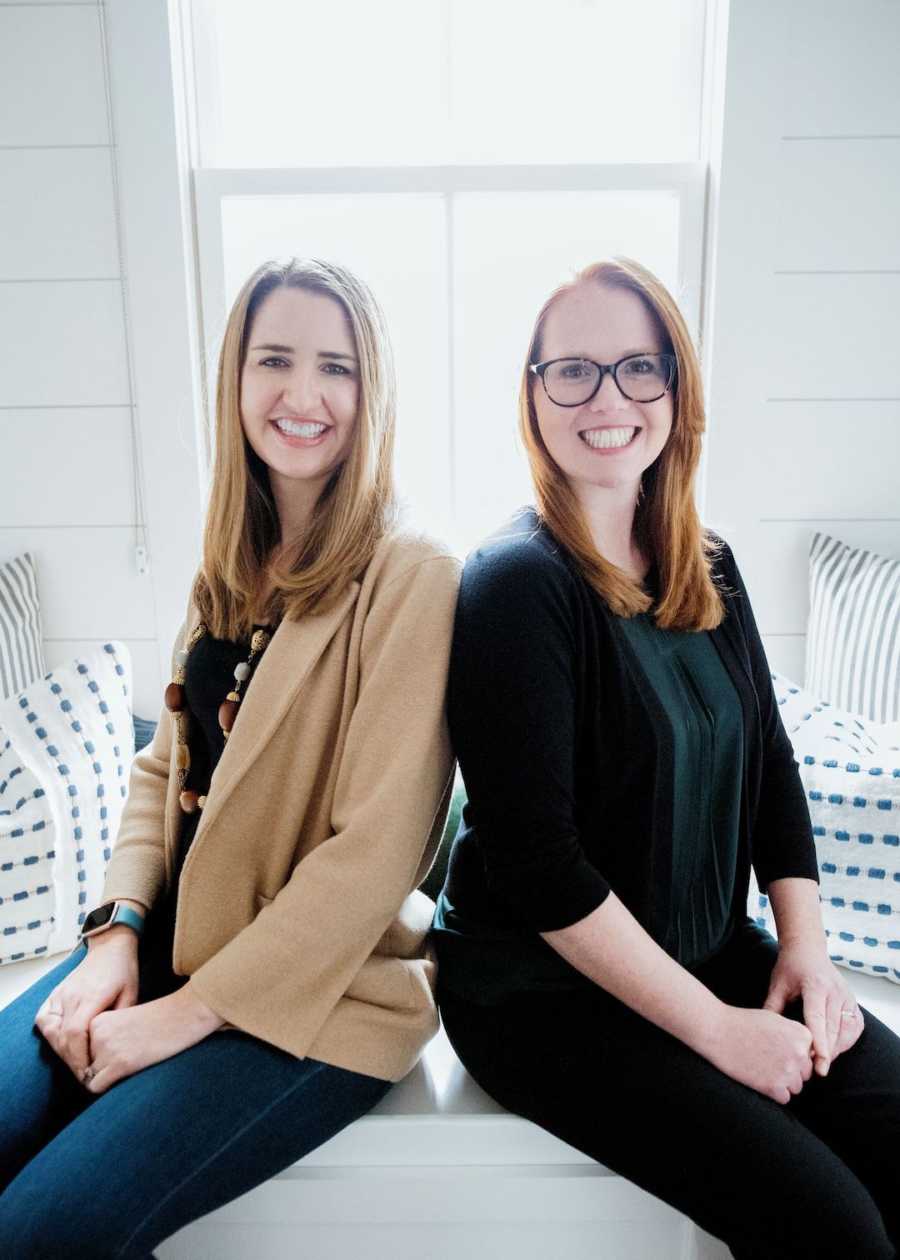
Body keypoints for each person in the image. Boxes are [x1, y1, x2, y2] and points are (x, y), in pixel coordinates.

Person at [432, 258, 900, 1260]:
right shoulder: (514, 586)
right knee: (839, 1234)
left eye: (638, 367)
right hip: (539, 997)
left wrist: (807, 957)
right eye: (573, 371)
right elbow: (539, 864)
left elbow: (771, 763)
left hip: (704, 947)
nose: (607, 399)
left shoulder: (708, 561)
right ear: (533, 393)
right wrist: (722, 1032)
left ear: (676, 388)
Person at [0, 258, 460, 1258]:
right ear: (235, 381)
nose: (303, 394)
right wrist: (114, 936)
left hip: (319, 1000)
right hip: (164, 946)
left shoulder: (415, 575)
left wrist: (179, 1021)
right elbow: (161, 771)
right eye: (275, 360)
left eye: (336, 367)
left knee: (41, 1232)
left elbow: (371, 857)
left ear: (370, 389)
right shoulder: (232, 564)